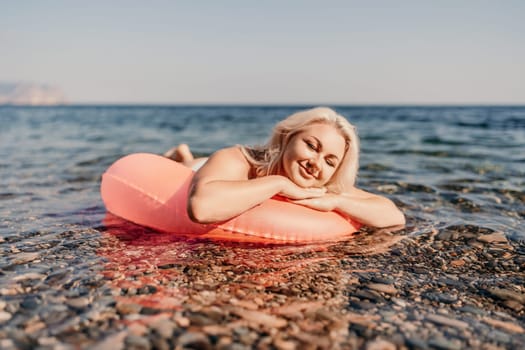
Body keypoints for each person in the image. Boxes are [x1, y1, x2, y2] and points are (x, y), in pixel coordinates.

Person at [164, 107, 405, 228]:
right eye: (311, 146)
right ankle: (182, 154)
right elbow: (202, 208)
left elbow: (393, 216)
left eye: (330, 161)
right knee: (189, 164)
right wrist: (280, 184)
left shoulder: (323, 185)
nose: (316, 163)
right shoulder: (240, 159)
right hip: (202, 169)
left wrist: (338, 201)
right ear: (286, 137)